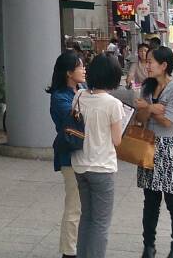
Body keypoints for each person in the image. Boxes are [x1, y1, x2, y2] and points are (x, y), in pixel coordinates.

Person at [135, 46, 173, 258]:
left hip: (171, 148)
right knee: (150, 200)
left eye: (151, 62)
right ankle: (148, 244)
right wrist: (150, 110)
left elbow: (169, 121)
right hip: (148, 144)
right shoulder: (147, 87)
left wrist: (148, 108)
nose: (147, 65)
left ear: (164, 65)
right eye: (147, 61)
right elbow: (140, 119)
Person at [73, 53, 126, 258]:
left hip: (80, 164)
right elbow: (117, 140)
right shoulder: (113, 104)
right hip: (102, 167)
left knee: (86, 217)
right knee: (101, 223)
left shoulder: (78, 96)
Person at [50, 51, 87, 258]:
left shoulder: (83, 90)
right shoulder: (60, 97)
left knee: (83, 207)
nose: (84, 69)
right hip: (69, 155)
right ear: (68, 72)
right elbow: (76, 120)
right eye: (80, 66)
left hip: (87, 154)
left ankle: (80, 247)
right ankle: (69, 252)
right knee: (74, 205)